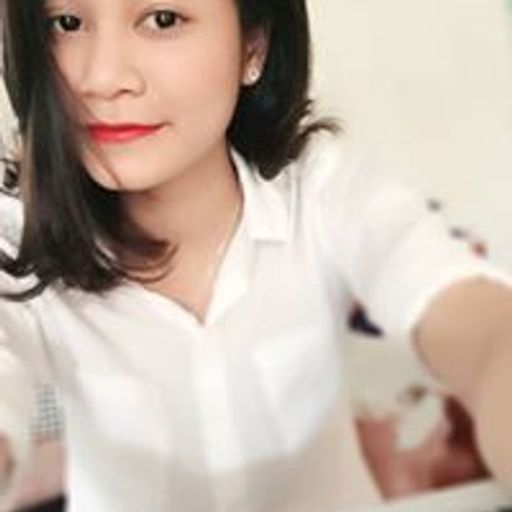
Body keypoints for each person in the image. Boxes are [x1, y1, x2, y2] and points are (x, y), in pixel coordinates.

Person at [1, 1, 512, 511]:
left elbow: (485, 330)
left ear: (254, 46)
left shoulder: (323, 194)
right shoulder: (18, 236)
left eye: (163, 19)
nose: (102, 79)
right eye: (66, 23)